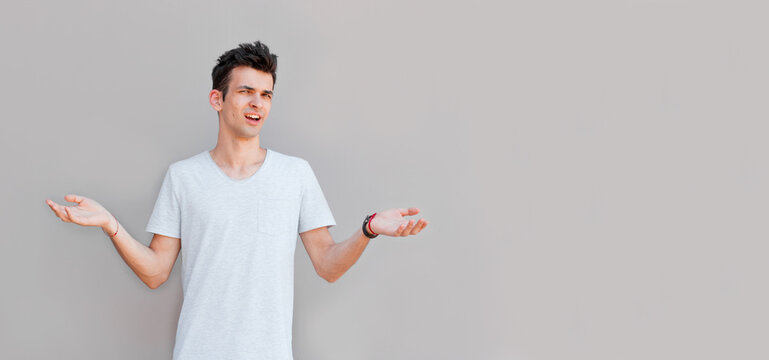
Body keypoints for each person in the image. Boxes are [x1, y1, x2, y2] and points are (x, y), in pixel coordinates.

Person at [45, 41, 428, 359]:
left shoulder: (295, 174)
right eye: (245, 91)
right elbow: (156, 272)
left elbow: (328, 265)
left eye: (265, 94)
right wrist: (112, 226)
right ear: (217, 98)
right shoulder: (184, 177)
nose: (257, 103)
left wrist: (369, 228)